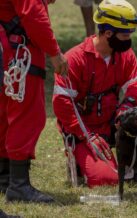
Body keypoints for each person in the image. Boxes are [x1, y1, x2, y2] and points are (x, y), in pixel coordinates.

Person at [52, 0, 137, 188]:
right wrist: (85, 135)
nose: (129, 38)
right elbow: (62, 104)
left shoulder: (125, 54)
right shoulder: (75, 58)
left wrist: (126, 110)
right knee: (106, 180)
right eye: (125, 34)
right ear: (107, 33)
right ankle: (82, 161)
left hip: (112, 120)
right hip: (84, 130)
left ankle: (133, 166)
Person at [0, 0, 68, 203]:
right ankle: (18, 185)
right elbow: (34, 16)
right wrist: (54, 53)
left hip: (6, 50)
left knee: (4, 114)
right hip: (19, 52)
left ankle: (5, 178)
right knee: (27, 116)